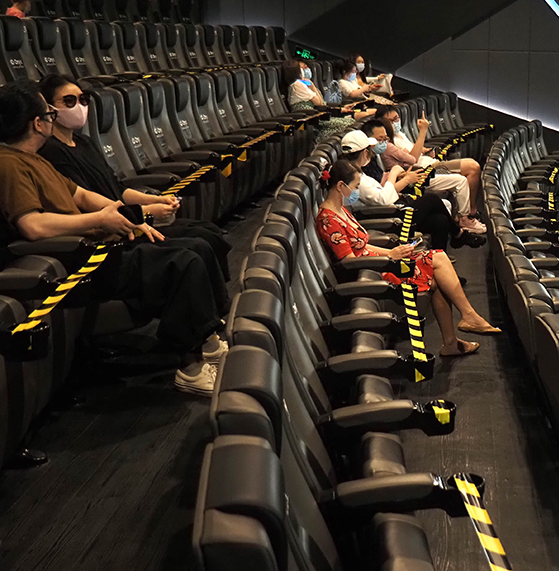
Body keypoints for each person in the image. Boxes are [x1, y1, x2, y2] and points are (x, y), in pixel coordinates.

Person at [0, 80, 227, 396]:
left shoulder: (34, 158)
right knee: (182, 262)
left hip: (101, 247)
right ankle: (190, 366)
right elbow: (33, 226)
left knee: (194, 246)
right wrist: (101, 221)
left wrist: (131, 218)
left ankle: (209, 341)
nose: (53, 118)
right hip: (79, 266)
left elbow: (82, 195)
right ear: (37, 123)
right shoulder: (9, 164)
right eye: (51, 113)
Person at [36, 74, 231, 280]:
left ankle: (221, 307)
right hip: (112, 233)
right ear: (49, 108)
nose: (79, 106)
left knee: (208, 232)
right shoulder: (51, 152)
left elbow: (118, 188)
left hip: (127, 219)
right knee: (196, 247)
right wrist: (144, 212)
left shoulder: (85, 142)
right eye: (69, 101)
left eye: (83, 100)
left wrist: (156, 200)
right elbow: (86, 202)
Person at [317, 158, 499, 356]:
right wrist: (390, 257)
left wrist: (394, 252)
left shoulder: (341, 210)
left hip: (381, 262)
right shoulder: (327, 219)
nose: (357, 191)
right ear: (341, 186)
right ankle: (468, 317)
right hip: (372, 271)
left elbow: (362, 245)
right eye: (356, 187)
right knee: (437, 259)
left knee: (437, 269)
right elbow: (349, 260)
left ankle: (452, 342)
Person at [337, 130, 484, 251]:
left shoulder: (358, 173)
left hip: (394, 210)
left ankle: (440, 271)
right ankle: (458, 234)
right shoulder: (356, 178)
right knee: (432, 199)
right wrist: (394, 174)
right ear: (364, 153)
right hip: (388, 218)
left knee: (440, 221)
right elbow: (383, 199)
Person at [361, 118, 486, 234]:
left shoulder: (374, 157)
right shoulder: (359, 173)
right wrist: (400, 175)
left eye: (385, 139)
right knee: (438, 196)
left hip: (411, 178)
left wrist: (401, 174)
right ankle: (462, 224)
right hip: (390, 208)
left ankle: (449, 242)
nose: (383, 142)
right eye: (380, 139)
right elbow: (383, 197)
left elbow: (384, 177)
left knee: (442, 214)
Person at [280, 60, 374, 143]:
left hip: (318, 116)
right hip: (313, 121)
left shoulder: (302, 84)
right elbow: (318, 102)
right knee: (350, 125)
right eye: (302, 68)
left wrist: (312, 85)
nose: (305, 70)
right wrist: (312, 86)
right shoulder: (297, 85)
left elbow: (321, 101)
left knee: (354, 122)